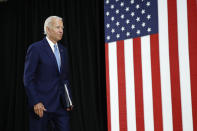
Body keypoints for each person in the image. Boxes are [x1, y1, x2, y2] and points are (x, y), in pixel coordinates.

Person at [23, 16, 73, 131]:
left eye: (62, 27)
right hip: (41, 106)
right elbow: (28, 78)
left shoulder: (63, 50)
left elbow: (64, 78)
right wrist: (36, 102)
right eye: (57, 27)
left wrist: (68, 99)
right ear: (48, 29)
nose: (61, 30)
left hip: (60, 106)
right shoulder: (35, 48)